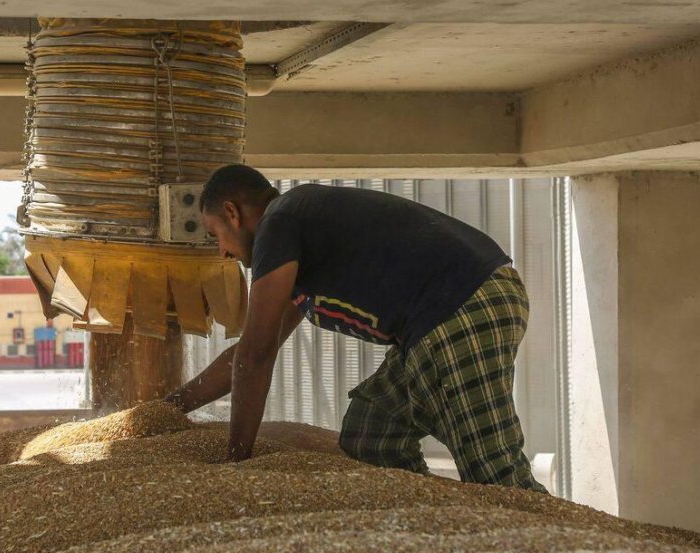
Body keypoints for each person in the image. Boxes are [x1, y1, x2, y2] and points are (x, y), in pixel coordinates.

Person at [164, 164, 547, 493]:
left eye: (216, 236)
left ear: (233, 213)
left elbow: (255, 356)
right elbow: (249, 351)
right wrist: (170, 409)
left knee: (496, 476)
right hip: (447, 315)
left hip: (460, 306)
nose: (223, 253)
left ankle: (569, 552)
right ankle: (434, 517)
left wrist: (236, 461)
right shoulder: (300, 235)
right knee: (373, 434)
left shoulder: (278, 222)